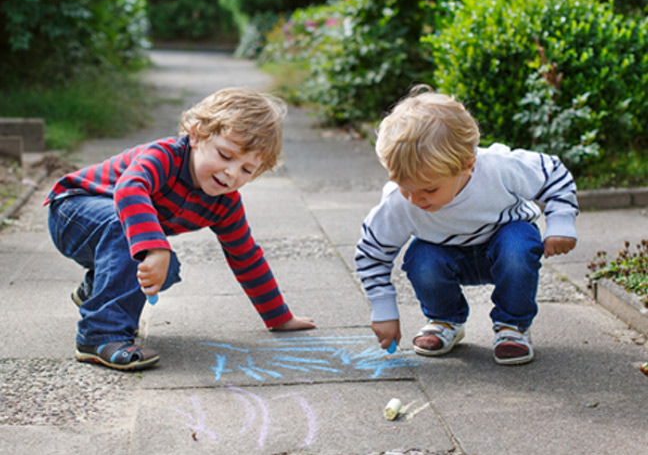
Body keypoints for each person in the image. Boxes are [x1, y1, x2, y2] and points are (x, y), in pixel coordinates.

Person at [45, 87, 315, 371]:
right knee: (144, 244)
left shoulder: (224, 203)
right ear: (196, 135)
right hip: (72, 213)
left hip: (112, 232)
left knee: (166, 269)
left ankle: (95, 291)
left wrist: (278, 317)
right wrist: (155, 247)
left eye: (247, 170)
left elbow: (245, 256)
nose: (232, 173)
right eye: (225, 155)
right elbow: (129, 189)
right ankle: (99, 335)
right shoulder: (165, 156)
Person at [355, 85, 578, 365]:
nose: (415, 199)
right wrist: (383, 310)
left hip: (503, 243)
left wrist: (561, 222)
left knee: (519, 243)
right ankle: (445, 319)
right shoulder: (399, 203)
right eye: (403, 187)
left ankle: (513, 326)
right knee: (420, 257)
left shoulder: (498, 168)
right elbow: (372, 253)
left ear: (467, 166)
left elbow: (553, 173)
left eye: (429, 189)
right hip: (445, 252)